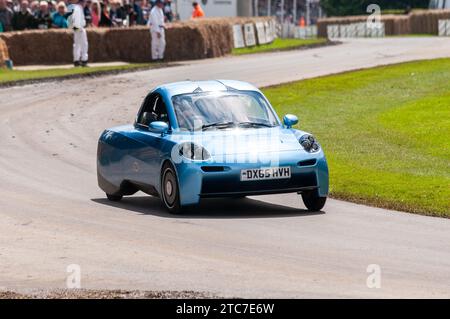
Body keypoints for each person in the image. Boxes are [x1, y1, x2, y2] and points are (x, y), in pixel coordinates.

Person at [68, 0, 88, 67]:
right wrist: (79, 28)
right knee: (83, 45)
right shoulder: (78, 8)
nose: (85, 4)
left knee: (77, 45)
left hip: (76, 28)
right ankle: (84, 60)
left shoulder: (74, 7)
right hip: (79, 28)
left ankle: (76, 61)